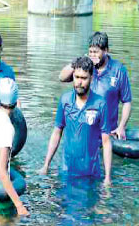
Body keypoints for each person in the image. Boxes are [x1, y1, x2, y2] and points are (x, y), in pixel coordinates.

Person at [40, 55, 114, 185]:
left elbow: (106, 142)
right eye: (77, 77)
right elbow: (57, 133)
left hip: (90, 173)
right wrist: (46, 165)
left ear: (91, 78)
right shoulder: (65, 100)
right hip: (67, 170)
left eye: (84, 78)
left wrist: (107, 177)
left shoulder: (100, 104)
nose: (79, 82)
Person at [59, 32, 132, 140]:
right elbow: (62, 77)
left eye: (96, 52)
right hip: (83, 130)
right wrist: (78, 62)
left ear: (106, 51)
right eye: (90, 52)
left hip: (107, 132)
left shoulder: (118, 70)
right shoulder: (85, 67)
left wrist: (121, 127)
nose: (93, 56)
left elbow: (127, 101)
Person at [0, 78, 28, 216]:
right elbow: (1, 172)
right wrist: (19, 206)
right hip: (0, 191)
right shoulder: (8, 129)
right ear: (15, 102)